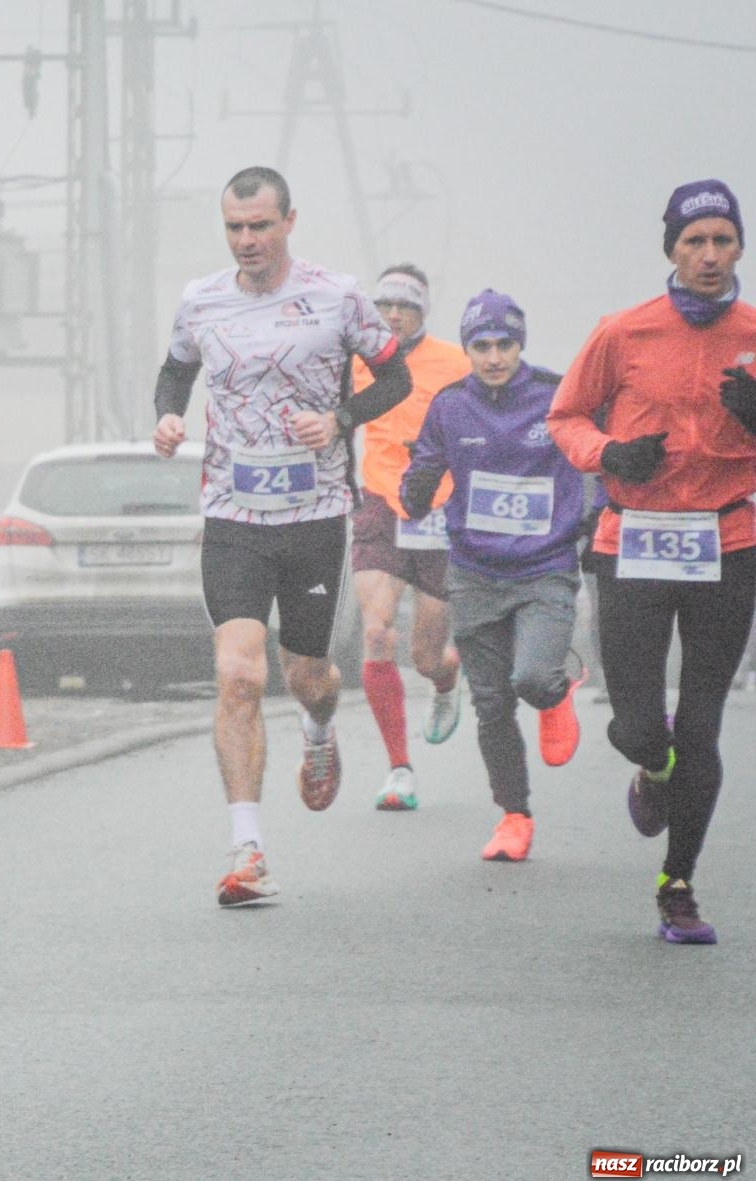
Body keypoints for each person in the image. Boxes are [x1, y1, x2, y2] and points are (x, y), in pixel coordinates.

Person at [152, 165, 412, 905]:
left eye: (260, 226)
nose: (246, 241)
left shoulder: (337, 296)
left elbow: (395, 381)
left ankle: (320, 728)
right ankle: (246, 849)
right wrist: (169, 417)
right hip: (232, 517)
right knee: (239, 674)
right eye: (234, 228)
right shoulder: (201, 301)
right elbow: (174, 375)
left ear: (289, 222)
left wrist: (340, 420)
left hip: (314, 517)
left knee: (308, 674)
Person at [548, 178, 756, 946]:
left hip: (727, 544)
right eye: (694, 241)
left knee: (701, 728)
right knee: (641, 728)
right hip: (633, 540)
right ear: (670, 248)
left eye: (723, 241)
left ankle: (679, 885)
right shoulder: (624, 332)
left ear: (739, 247)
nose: (709, 255)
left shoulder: (754, 331)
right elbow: (563, 416)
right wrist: (610, 453)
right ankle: (650, 766)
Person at [400, 291, 585, 862]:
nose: (494, 356)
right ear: (468, 350)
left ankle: (556, 693)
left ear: (519, 344)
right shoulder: (451, 405)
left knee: (530, 676)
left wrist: (601, 513)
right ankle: (514, 816)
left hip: (544, 567)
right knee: (490, 701)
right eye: (481, 346)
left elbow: (592, 456)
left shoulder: (556, 396)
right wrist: (416, 486)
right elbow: (425, 466)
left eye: (504, 344)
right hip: (475, 571)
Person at [348, 265, 469, 811]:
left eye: (405, 306)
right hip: (379, 503)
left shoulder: (456, 362)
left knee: (425, 656)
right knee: (377, 634)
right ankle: (399, 768)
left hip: (439, 510)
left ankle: (446, 682)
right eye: (384, 305)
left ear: (423, 312)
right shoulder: (357, 360)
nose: (393, 315)